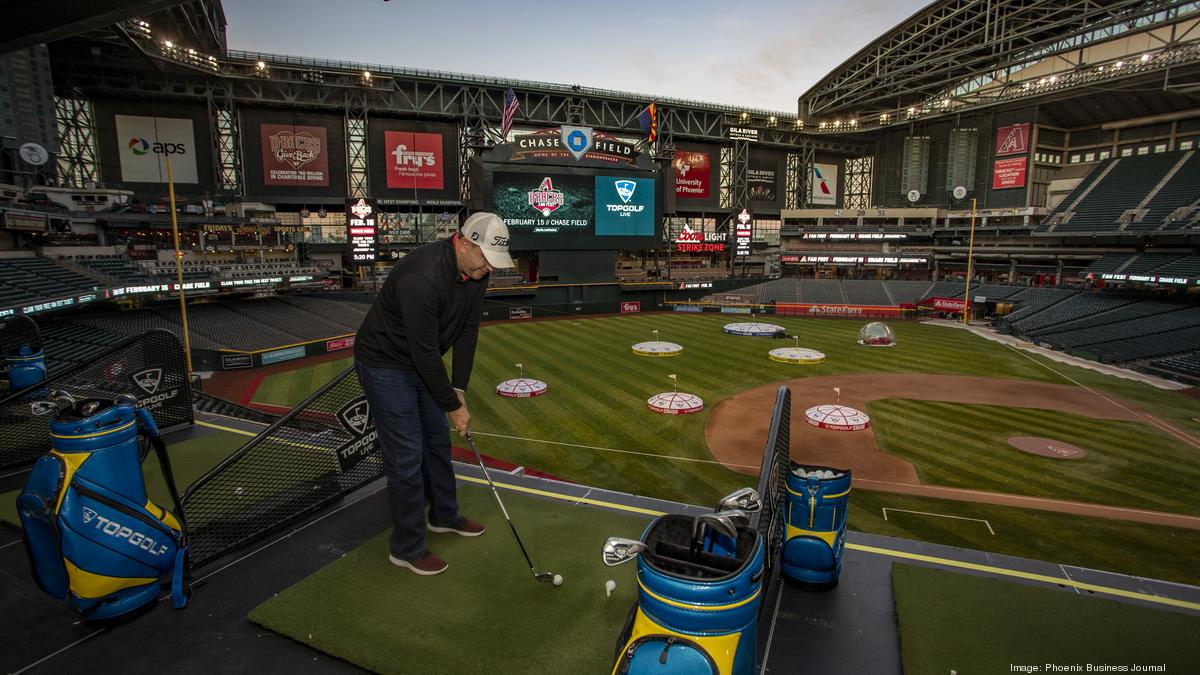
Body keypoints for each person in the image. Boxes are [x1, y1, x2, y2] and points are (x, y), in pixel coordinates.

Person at [354, 212, 514, 576]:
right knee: (407, 455)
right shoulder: (422, 277)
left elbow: (468, 330)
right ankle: (406, 546)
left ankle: (444, 515)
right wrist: (451, 405)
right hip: (385, 363)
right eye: (485, 258)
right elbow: (423, 352)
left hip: (420, 360)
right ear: (465, 242)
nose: (489, 268)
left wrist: (459, 389)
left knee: (438, 443)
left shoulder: (475, 272)